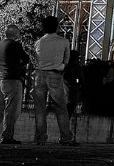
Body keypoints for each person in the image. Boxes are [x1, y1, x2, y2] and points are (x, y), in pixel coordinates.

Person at [33, 16, 77, 146]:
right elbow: (67, 60)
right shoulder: (63, 41)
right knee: (61, 108)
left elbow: (36, 58)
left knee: (39, 108)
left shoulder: (39, 42)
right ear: (57, 26)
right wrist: (61, 66)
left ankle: (41, 138)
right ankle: (65, 137)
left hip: (39, 75)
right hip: (55, 74)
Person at [0, 24, 30, 144]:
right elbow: (26, 59)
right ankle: (7, 136)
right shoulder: (15, 45)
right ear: (15, 34)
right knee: (11, 110)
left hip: (0, 79)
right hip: (12, 80)